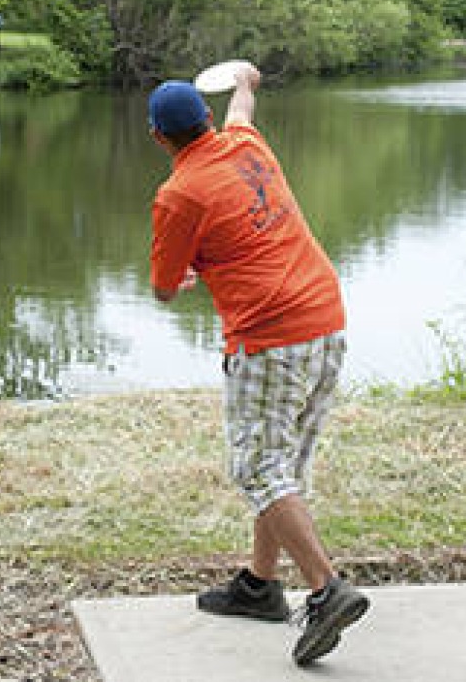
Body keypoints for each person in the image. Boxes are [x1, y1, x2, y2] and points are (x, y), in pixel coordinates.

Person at [146, 63, 368, 667]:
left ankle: (327, 590)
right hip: (325, 315)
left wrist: (191, 273)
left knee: (257, 468)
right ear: (207, 121)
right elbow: (244, 108)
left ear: (158, 137)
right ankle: (260, 586)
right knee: (286, 460)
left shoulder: (179, 194)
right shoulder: (244, 142)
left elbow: (165, 287)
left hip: (271, 336)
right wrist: (244, 77)